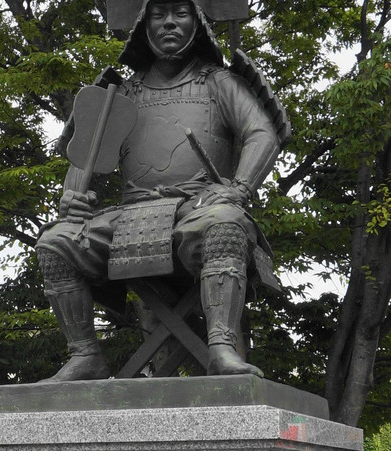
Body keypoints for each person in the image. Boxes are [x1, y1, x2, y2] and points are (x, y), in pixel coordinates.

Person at [36, 0, 285, 382]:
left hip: (197, 207)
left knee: (225, 222)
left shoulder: (220, 82)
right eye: (158, 14)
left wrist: (239, 188)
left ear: (197, 22)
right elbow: (83, 160)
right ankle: (85, 354)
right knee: (56, 243)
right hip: (131, 215)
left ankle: (221, 346)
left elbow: (262, 133)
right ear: (143, 25)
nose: (169, 23)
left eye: (180, 13)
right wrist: (72, 198)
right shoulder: (122, 94)